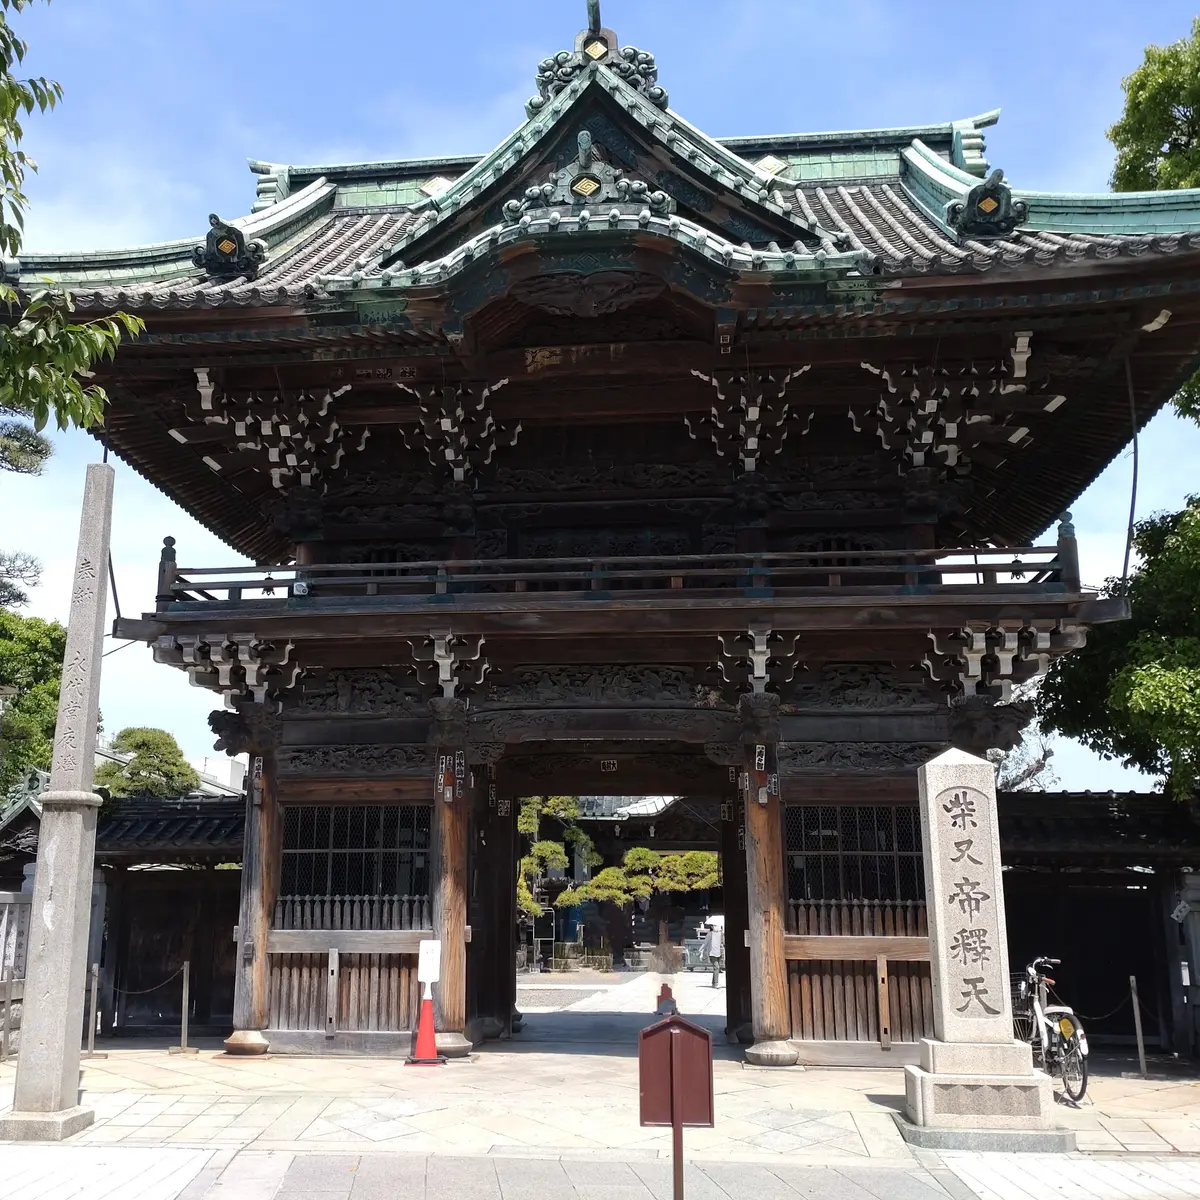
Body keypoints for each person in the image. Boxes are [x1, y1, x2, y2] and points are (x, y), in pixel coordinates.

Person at [703, 919, 724, 988]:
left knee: (716, 968)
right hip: (712, 953)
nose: (717, 927)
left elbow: (723, 943)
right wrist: (702, 951)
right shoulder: (710, 934)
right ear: (712, 927)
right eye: (715, 926)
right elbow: (705, 943)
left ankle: (713, 983)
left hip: (719, 953)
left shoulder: (721, 934)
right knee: (716, 967)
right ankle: (716, 983)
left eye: (718, 926)